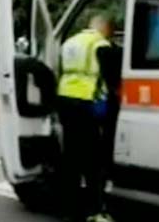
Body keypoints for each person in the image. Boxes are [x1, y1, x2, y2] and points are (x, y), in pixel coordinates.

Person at [57, 15, 119, 222]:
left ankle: (69, 210)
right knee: (93, 160)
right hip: (85, 104)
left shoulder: (69, 43)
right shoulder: (100, 45)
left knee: (71, 158)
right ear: (105, 28)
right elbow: (113, 78)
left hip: (65, 101)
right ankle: (96, 211)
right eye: (111, 31)